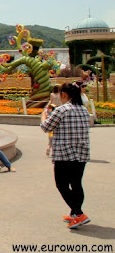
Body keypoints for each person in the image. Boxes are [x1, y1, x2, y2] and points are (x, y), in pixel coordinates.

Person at [40, 82, 91, 229]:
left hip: (64, 153)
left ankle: (79, 213)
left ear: (64, 94)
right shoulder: (83, 110)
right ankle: (74, 214)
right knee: (76, 184)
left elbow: (46, 127)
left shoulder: (61, 110)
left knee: (61, 184)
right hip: (81, 152)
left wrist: (44, 115)